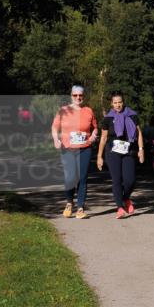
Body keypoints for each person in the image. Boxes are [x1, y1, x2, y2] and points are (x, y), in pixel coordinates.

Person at [51, 85, 98, 219]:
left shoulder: (88, 111)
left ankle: (80, 208)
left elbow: (95, 127)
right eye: (75, 95)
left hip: (85, 148)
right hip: (68, 148)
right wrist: (55, 139)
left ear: (83, 96)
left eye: (80, 95)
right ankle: (69, 203)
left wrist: (94, 135)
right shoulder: (63, 110)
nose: (78, 97)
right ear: (71, 96)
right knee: (70, 177)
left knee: (82, 178)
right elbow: (54, 128)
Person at [96, 92, 145, 218]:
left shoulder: (132, 115)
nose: (118, 105)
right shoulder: (108, 118)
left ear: (123, 102)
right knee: (117, 180)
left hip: (129, 150)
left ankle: (126, 198)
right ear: (112, 104)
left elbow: (139, 133)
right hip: (112, 152)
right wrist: (99, 156)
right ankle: (120, 207)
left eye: (120, 102)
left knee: (130, 180)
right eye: (115, 103)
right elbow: (103, 138)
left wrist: (141, 149)